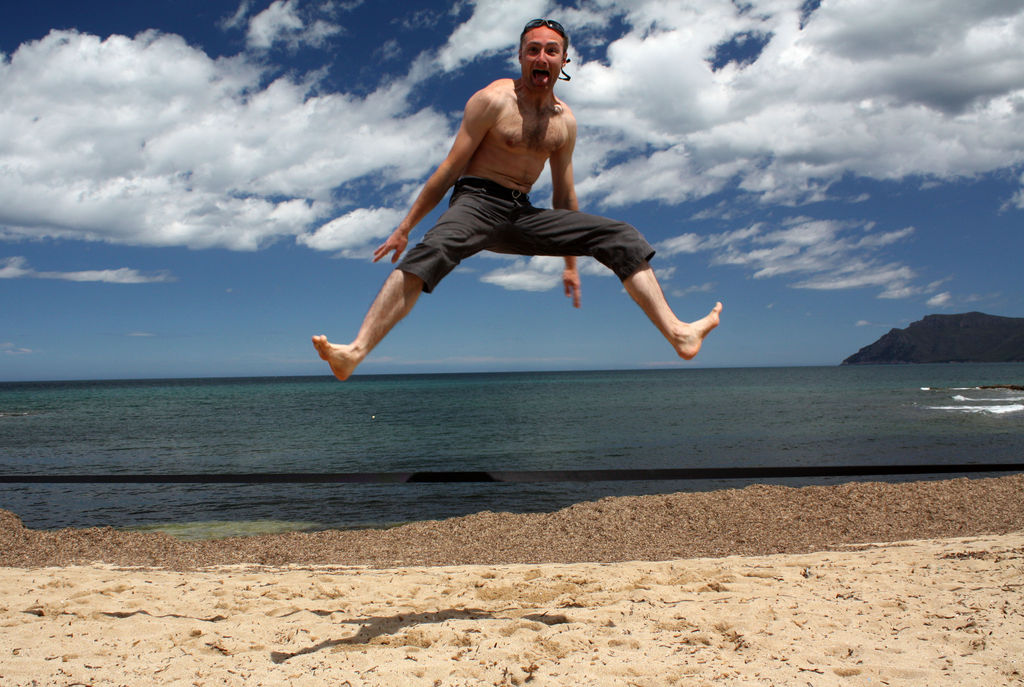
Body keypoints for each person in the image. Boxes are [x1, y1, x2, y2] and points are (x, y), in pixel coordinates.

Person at [313, 18, 721, 380]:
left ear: (563, 61)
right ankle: (355, 351)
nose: (541, 57)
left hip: (520, 213)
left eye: (551, 50)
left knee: (622, 236)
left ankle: (678, 332)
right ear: (522, 57)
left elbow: (563, 194)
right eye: (533, 50)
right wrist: (405, 228)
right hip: (475, 201)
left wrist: (571, 263)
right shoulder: (493, 100)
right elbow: (449, 169)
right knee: (431, 251)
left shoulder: (564, 122)